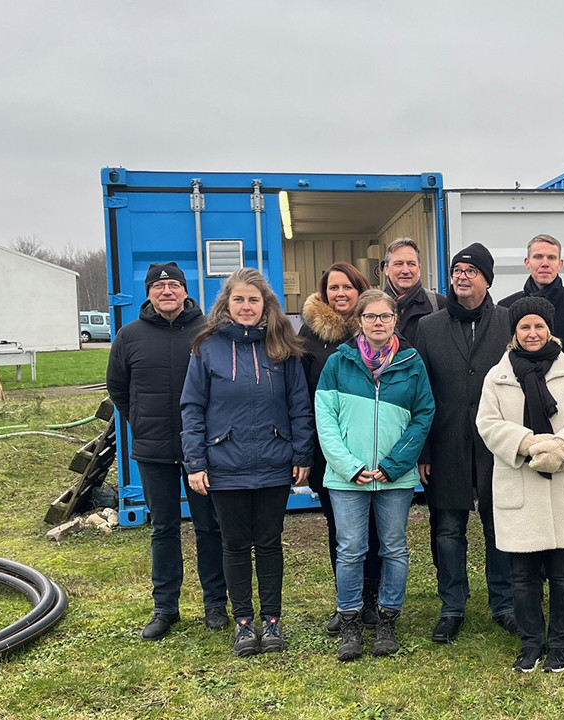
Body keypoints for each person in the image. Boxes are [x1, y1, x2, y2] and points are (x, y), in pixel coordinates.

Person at [180, 268, 314, 657]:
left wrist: (302, 452)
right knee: (235, 544)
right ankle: (242, 623)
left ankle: (272, 620)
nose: (246, 306)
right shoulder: (207, 347)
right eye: (239, 299)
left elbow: (299, 405)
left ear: (266, 305)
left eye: (253, 300)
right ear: (226, 304)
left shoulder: (283, 346)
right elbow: (192, 407)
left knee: (270, 543)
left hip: (274, 461)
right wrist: (196, 462)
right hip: (225, 463)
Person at [477, 296, 564, 674]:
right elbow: (489, 424)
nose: (532, 333)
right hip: (521, 486)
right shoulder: (497, 376)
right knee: (522, 576)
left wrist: (562, 447)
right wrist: (528, 445)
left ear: (550, 329)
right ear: (514, 332)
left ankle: (561, 643)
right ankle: (531, 643)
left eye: (539, 326)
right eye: (525, 327)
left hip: (563, 486)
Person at [106, 262, 227, 640]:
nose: (167, 292)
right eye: (159, 287)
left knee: (210, 527)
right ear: (148, 293)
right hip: (154, 448)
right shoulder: (130, 336)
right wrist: (140, 422)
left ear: (185, 290)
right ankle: (165, 608)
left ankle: (215, 604)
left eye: (174, 285)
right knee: (164, 528)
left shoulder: (210, 332)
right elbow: (118, 389)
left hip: (205, 451)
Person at [315, 289, 435, 661]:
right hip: (346, 477)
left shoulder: (412, 362)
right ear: (360, 322)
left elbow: (423, 415)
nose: (378, 323)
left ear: (395, 320)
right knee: (350, 549)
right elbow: (325, 419)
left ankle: (387, 618)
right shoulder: (338, 362)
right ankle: (349, 620)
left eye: (385, 317)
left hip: (393, 478)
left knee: (394, 547)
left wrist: (392, 465)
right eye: (371, 317)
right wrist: (349, 466)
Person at [416, 243, 516, 643]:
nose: (461, 276)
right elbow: (421, 393)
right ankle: (452, 605)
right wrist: (423, 451)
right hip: (445, 445)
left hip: (498, 444)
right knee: (447, 531)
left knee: (500, 527)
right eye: (457, 269)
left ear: (487, 279)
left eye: (471, 271)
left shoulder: (509, 321)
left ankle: (504, 603)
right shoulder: (429, 326)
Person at [499, 234, 564, 612]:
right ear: (527, 262)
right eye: (538, 256)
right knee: (531, 506)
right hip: (524, 426)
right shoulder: (506, 308)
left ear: (561, 264)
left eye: (552, 257)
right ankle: (536, 581)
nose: (545, 262)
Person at [298, 262, 384, 634]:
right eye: (334, 288)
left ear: (359, 289)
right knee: (341, 529)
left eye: (348, 287)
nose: (341, 294)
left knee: (377, 530)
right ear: (324, 292)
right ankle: (346, 602)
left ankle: (372, 600)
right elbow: (301, 395)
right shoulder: (310, 335)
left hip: (374, 447)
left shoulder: (375, 328)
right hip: (329, 451)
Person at [383, 237, 446, 346]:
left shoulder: (438, 304)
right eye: (399, 264)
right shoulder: (373, 306)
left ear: (419, 269)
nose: (406, 271)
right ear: (386, 269)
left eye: (411, 264)